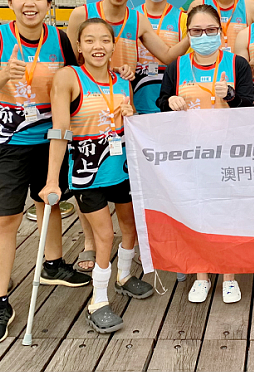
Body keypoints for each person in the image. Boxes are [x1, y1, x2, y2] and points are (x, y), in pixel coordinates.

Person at [0, 0, 91, 345]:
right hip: (6, 145)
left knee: (49, 203)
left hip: (50, 142)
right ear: (10, 2)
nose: (30, 4)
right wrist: (3, 75)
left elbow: (79, 78)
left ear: (49, 4)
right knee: (5, 221)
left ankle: (53, 264)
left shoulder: (59, 39)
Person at [65, 0, 190, 273]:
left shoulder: (137, 19)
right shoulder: (81, 14)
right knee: (85, 178)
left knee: (123, 182)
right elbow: (70, 61)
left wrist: (197, 34)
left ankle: (129, 250)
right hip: (87, 111)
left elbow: (167, 55)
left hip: (123, 113)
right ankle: (90, 242)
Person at [42, 18, 153, 334]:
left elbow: (127, 124)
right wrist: (52, 180)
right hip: (87, 174)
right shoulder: (69, 77)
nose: (98, 46)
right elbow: (60, 130)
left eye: (105, 40)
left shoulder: (121, 80)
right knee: (104, 235)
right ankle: (98, 300)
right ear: (79, 46)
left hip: (121, 168)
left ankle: (124, 275)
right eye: (89, 40)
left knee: (129, 225)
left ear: (113, 45)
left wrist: (131, 115)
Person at [157, 4, 254, 303]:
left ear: (221, 32)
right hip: (191, 153)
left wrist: (231, 96)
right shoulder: (176, 66)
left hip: (229, 152)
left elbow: (249, 105)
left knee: (228, 213)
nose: (204, 36)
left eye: (210, 30)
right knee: (196, 212)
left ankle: (228, 275)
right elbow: (162, 100)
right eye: (196, 31)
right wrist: (170, 102)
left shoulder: (237, 64)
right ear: (188, 34)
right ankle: (201, 275)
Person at [133, 0, 188, 114]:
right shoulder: (131, 18)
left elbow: (187, 64)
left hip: (172, 103)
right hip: (136, 101)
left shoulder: (183, 19)